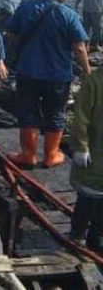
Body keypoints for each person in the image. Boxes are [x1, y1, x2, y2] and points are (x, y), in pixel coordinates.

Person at [7, 0, 91, 168]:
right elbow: (79, 47)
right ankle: (51, 156)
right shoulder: (68, 13)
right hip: (58, 75)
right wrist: (87, 72)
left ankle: (28, 156)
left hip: (27, 71)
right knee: (55, 113)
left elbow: (11, 33)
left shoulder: (26, 7)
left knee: (28, 112)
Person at [68, 69, 103, 251]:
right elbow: (81, 117)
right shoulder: (95, 81)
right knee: (87, 199)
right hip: (95, 150)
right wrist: (81, 147)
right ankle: (77, 234)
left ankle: (96, 237)